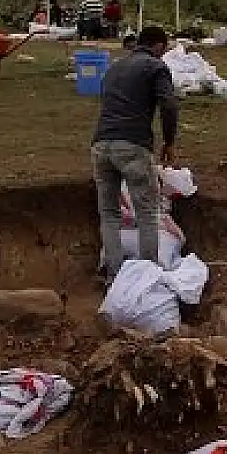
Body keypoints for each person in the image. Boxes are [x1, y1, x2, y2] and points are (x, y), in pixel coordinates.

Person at [91, 25, 180, 279]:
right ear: (159, 46)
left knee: (109, 214)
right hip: (132, 146)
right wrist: (169, 141)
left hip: (100, 146)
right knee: (147, 214)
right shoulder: (155, 67)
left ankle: (114, 276)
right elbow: (169, 104)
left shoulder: (113, 68)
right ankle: (146, 277)